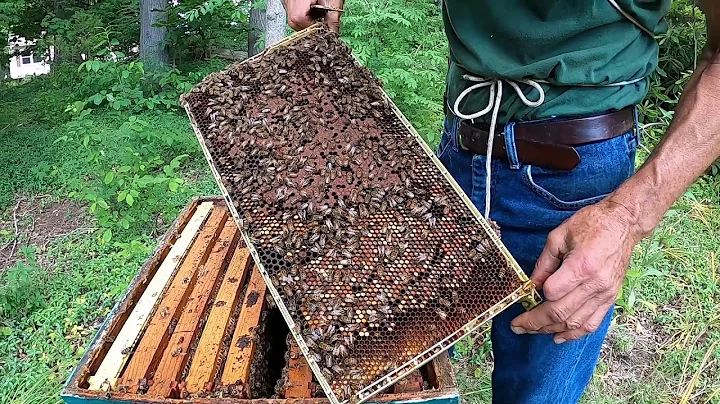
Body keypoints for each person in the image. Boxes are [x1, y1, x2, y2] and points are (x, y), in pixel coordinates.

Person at [280, 1, 720, 403]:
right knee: (399, 371)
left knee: (538, 391)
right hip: (458, 148)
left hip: (574, 181)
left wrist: (627, 217)